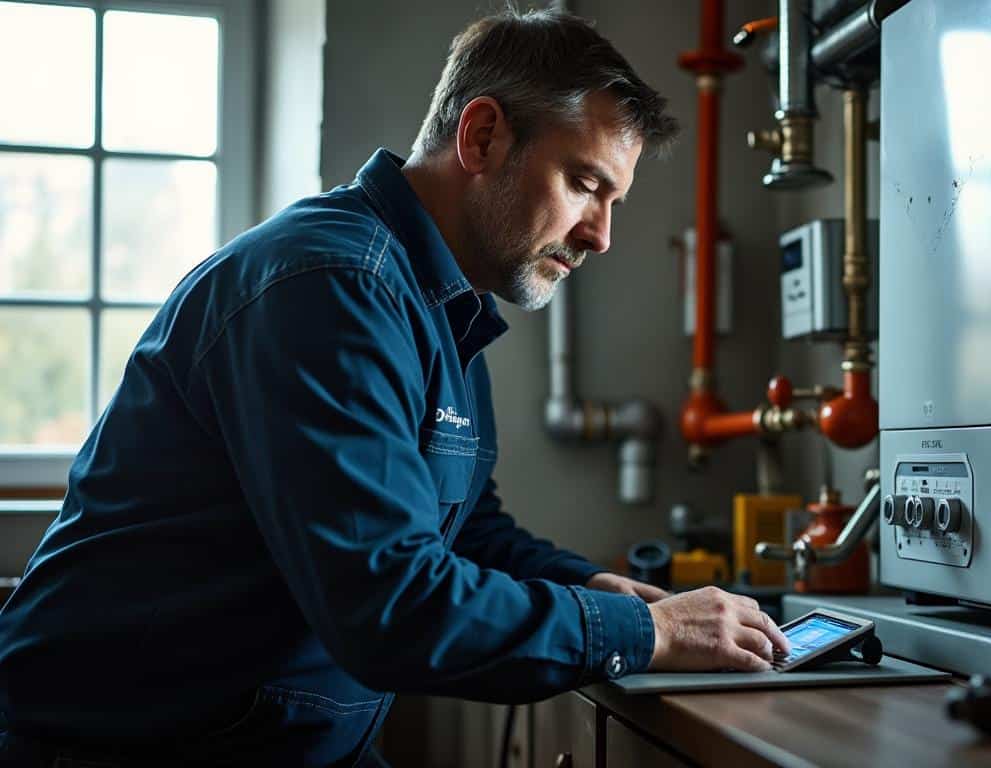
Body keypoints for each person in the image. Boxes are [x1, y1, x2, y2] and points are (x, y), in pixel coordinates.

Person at [0, 9, 789, 767]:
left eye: (612, 200)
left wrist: (590, 584)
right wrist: (641, 633)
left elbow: (464, 531)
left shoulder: (437, 303)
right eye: (585, 183)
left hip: (270, 743)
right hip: (126, 749)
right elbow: (393, 608)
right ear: (482, 136)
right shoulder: (333, 287)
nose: (601, 235)